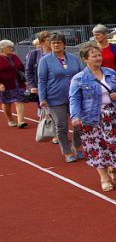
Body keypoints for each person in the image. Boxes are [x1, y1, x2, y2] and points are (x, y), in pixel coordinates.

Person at [69, 43, 116, 191]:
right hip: (91, 117)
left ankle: (112, 168)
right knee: (97, 147)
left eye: (99, 55)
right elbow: (74, 98)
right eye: (94, 56)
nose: (98, 58)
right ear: (85, 59)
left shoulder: (110, 73)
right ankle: (104, 178)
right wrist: (75, 116)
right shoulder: (79, 78)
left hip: (111, 115)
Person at [37, 34, 85, 162]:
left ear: (64, 44)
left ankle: (76, 147)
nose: (56, 45)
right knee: (62, 126)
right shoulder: (45, 60)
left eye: (58, 43)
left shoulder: (73, 58)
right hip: (54, 97)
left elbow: (81, 75)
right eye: (53, 43)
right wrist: (42, 98)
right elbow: (41, 80)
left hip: (74, 96)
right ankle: (67, 152)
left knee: (79, 124)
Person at [0, 40, 28, 128]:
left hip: (18, 83)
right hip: (6, 85)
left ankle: (20, 121)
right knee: (6, 102)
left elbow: (21, 67)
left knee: (19, 100)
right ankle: (10, 119)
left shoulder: (14, 56)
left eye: (12, 47)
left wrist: (26, 78)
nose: (11, 49)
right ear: (3, 48)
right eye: (9, 47)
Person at [25, 31, 51, 101]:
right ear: (42, 42)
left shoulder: (57, 53)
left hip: (55, 87)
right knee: (44, 109)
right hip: (41, 87)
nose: (51, 42)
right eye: (48, 40)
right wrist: (32, 86)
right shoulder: (34, 54)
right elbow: (28, 71)